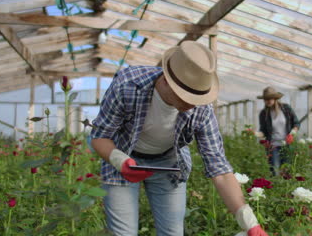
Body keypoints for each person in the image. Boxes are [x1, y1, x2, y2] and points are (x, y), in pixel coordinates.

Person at [90, 41, 267, 236]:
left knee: (172, 232)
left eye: (197, 98)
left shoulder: (202, 109)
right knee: (123, 233)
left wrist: (249, 222)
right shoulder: (129, 85)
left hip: (169, 163)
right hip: (122, 155)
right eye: (186, 97)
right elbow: (100, 136)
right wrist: (120, 161)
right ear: (166, 80)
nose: (192, 105)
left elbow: (220, 169)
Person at [255, 87, 300, 176]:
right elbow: (263, 131)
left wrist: (292, 134)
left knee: (287, 171)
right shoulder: (264, 113)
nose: (268, 101)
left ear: (275, 98)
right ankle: (275, 187)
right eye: (266, 99)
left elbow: (296, 123)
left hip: (287, 145)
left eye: (270, 98)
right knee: (275, 171)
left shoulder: (286, 108)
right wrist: (254, 133)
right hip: (273, 146)